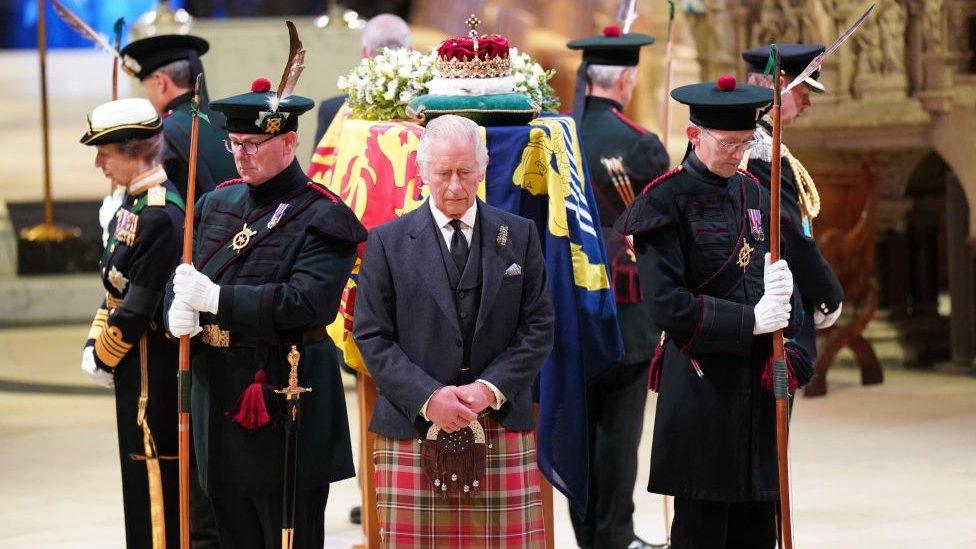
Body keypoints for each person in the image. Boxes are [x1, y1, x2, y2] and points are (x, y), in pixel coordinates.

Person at [165, 77, 367, 549]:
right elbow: (188, 277)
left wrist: (217, 301)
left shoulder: (323, 215)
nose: (241, 154)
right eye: (234, 143)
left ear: (289, 141)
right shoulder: (216, 203)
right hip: (218, 403)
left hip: (283, 405)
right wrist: (177, 311)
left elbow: (306, 302)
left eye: (254, 144)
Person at [614, 76, 816, 548]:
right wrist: (750, 321)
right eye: (727, 144)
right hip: (703, 389)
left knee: (757, 525)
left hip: (761, 386)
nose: (738, 154)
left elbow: (789, 286)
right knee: (704, 527)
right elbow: (668, 306)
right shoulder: (662, 203)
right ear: (693, 135)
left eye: (745, 143)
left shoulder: (755, 192)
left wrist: (796, 337)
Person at [353, 114, 555, 548]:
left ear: (483, 170)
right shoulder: (387, 242)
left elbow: (538, 326)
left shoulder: (518, 235)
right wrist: (429, 398)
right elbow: (371, 336)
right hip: (411, 426)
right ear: (422, 171)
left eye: (466, 172)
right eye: (443, 173)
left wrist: (489, 389)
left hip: (499, 419)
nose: (456, 186)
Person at [566, 26, 670, 549]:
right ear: (627, 79)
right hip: (627, 309)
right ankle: (616, 535)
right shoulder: (641, 145)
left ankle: (587, 534)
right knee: (621, 433)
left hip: (568, 307)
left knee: (579, 430)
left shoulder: (555, 137)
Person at [78, 97, 185, 548]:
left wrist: (103, 354)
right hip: (133, 366)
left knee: (153, 483)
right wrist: (93, 342)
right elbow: (115, 291)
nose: (100, 163)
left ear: (136, 151)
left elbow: (138, 306)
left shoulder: (157, 214)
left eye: (106, 152)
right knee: (138, 482)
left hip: (150, 373)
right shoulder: (134, 205)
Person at [741, 44, 844, 359]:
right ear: (780, 86)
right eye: (804, 93)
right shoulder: (758, 150)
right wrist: (829, 294)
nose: (808, 104)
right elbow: (788, 233)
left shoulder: (756, 140)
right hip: (770, 299)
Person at [120, 33, 239, 201]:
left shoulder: (162, 134)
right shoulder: (228, 120)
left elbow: (155, 210)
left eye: (147, 88)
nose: (148, 97)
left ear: (161, 82)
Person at [312, 13, 411, 147]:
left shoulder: (332, 111)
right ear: (410, 51)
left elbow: (321, 166)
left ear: (364, 53)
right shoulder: (425, 111)